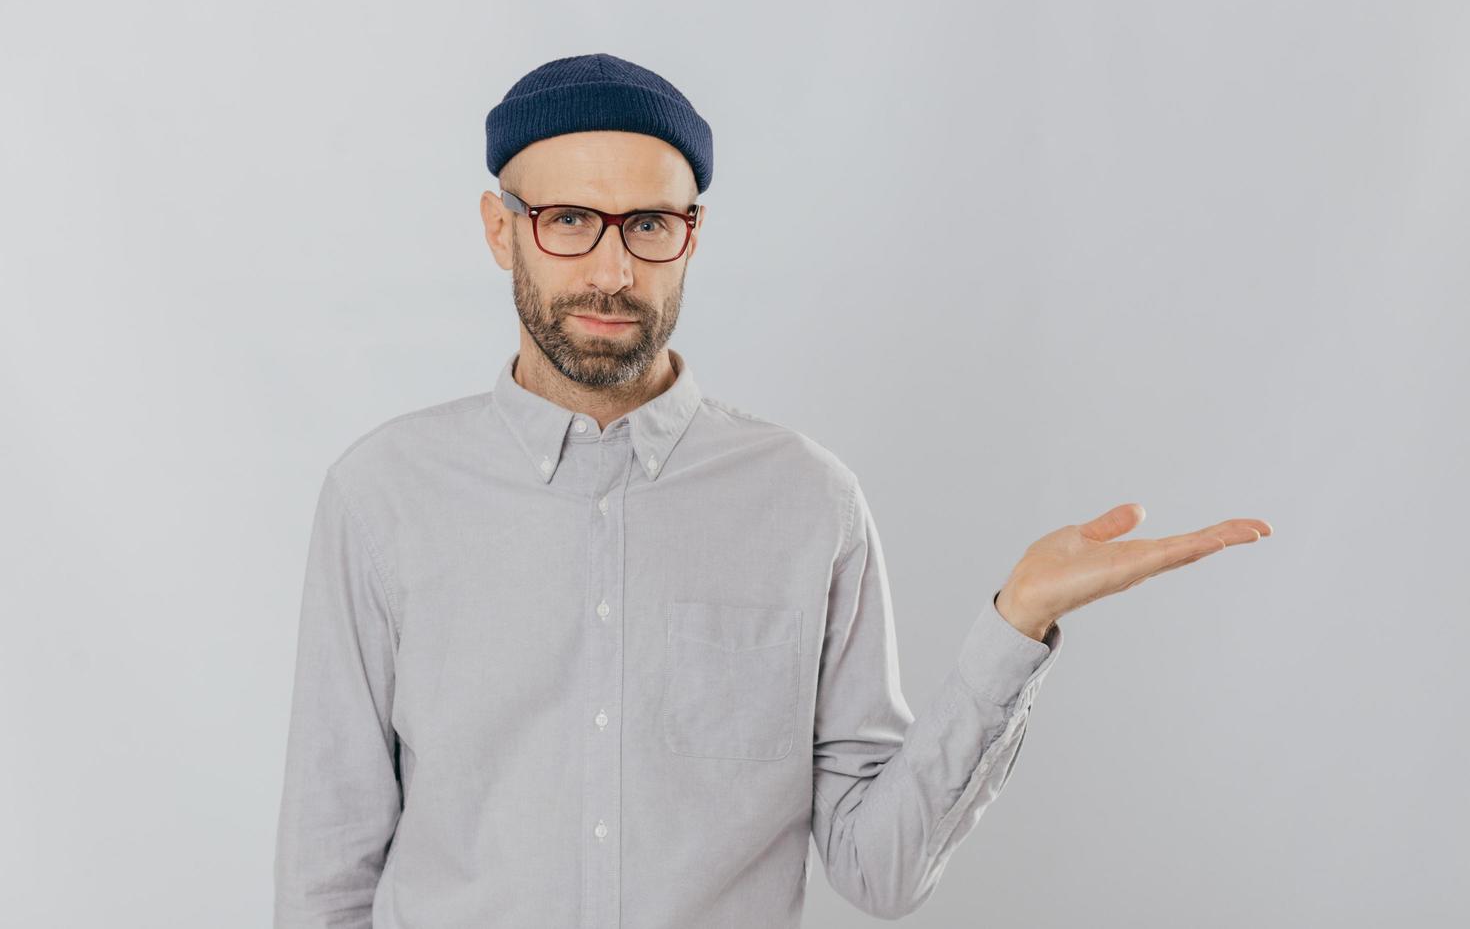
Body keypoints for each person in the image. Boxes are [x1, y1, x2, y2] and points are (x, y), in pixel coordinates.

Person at [272, 52, 1272, 928]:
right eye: (569, 219)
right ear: (503, 230)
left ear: (692, 235)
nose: (613, 269)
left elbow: (880, 869)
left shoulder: (808, 504)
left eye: (649, 223)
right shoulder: (383, 496)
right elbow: (328, 870)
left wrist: (1017, 626)